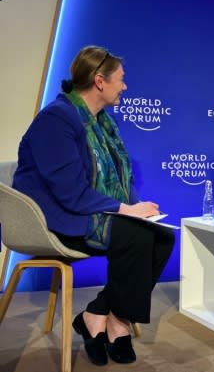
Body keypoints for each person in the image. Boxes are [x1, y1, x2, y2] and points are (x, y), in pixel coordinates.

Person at [12, 46, 175, 365]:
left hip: (83, 211)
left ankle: (103, 314)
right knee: (136, 235)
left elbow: (114, 178)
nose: (125, 87)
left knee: (161, 236)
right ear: (100, 81)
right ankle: (117, 324)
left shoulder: (102, 122)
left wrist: (137, 206)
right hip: (54, 218)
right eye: (121, 79)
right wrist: (127, 211)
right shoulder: (56, 121)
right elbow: (71, 192)